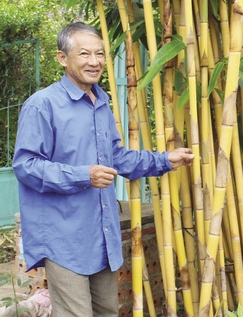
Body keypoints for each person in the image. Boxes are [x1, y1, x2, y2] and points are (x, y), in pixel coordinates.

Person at [12, 22, 194, 317]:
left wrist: (164, 161)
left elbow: (116, 157)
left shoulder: (101, 102)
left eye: (100, 54)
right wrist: (84, 176)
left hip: (100, 235)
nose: (94, 61)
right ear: (62, 58)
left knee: (108, 311)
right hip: (63, 236)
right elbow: (26, 166)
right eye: (84, 54)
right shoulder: (42, 105)